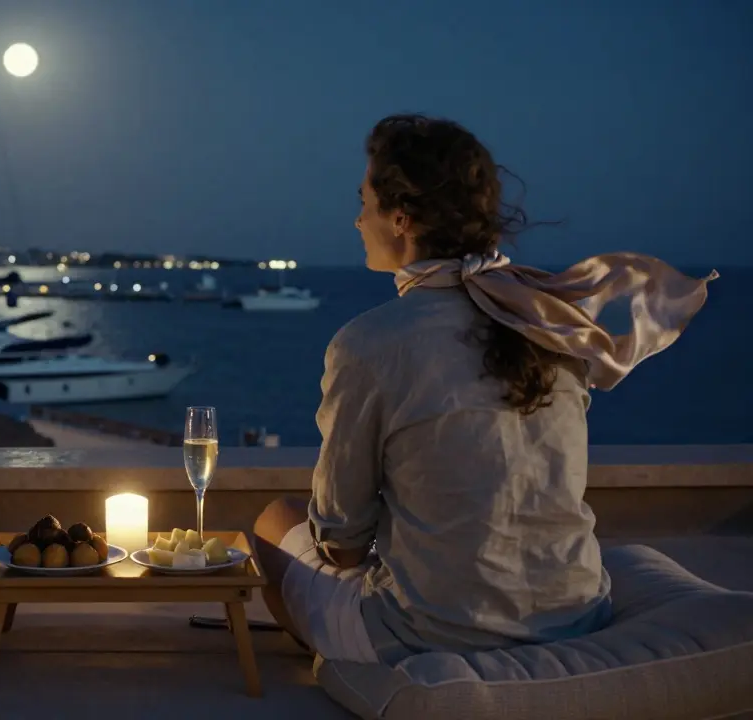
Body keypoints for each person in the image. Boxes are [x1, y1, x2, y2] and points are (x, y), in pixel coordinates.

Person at [254, 114, 716, 665]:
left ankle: (338, 657)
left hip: (434, 635)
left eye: (365, 203)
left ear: (400, 218)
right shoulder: (548, 323)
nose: (357, 220)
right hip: (576, 616)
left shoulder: (368, 344)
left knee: (274, 521)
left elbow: (342, 545)